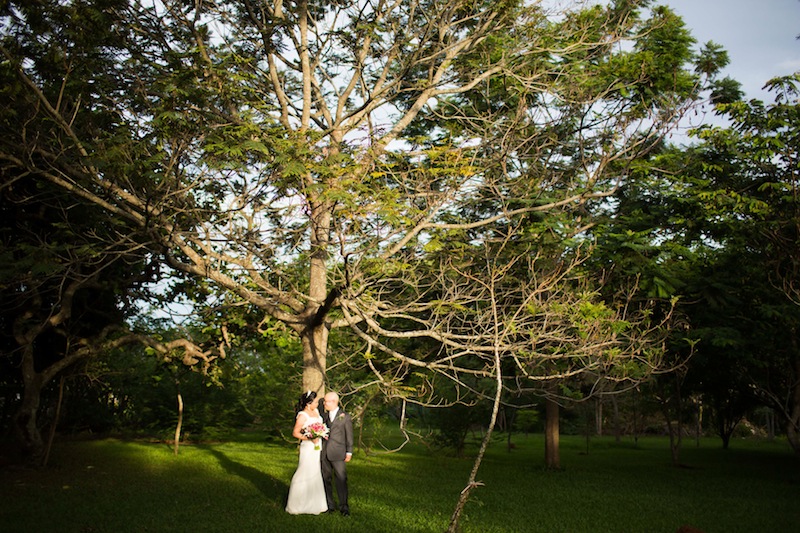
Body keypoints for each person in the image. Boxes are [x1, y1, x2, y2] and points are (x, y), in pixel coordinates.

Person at [285, 391, 328, 515]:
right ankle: (296, 504)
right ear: (309, 403)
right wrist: (309, 438)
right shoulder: (302, 415)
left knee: (315, 471)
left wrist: (320, 433)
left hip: (317, 446)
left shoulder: (316, 412)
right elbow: (295, 433)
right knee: (304, 471)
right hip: (308, 447)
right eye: (315, 402)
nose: (317, 404)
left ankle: (315, 503)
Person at [320, 391, 353, 516]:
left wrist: (349, 452)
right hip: (324, 452)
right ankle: (329, 505)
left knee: (341, 479)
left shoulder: (345, 417)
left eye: (326, 401)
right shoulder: (324, 416)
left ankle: (344, 507)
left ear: (333, 402)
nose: (324, 403)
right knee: (326, 478)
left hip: (338, 452)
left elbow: (349, 435)